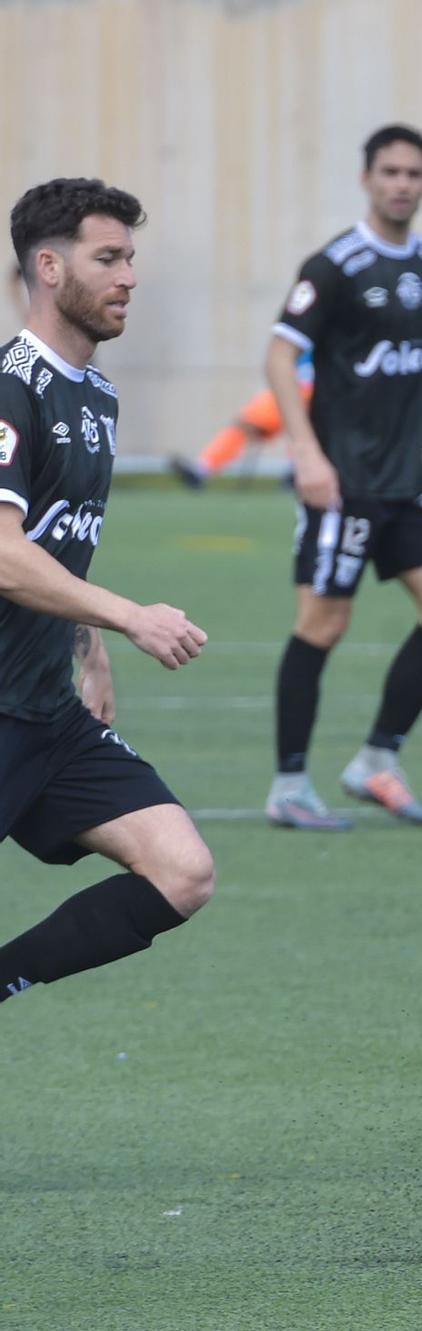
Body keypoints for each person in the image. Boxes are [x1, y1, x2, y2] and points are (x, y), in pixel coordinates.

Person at [0, 178, 215, 1006]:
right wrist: (127, 618)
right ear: (50, 267)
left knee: (182, 869)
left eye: (131, 257)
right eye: (109, 257)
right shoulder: (12, 384)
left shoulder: (97, 396)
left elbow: (60, 544)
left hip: (46, 713)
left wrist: (88, 653)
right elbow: (6, 552)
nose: (129, 275)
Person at [263, 123, 422, 830]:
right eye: (390, 171)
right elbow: (277, 355)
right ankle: (290, 784)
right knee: (322, 624)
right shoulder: (335, 265)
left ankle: (377, 760)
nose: (402, 184)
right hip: (345, 483)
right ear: (367, 179)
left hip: (408, 482)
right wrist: (307, 453)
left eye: (414, 173)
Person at [168, 351, 314, 489]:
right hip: (291, 384)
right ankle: (201, 469)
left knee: (302, 426)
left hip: (318, 387)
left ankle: (297, 472)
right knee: (246, 424)